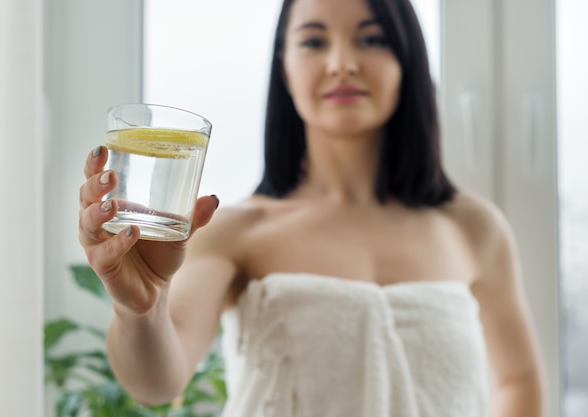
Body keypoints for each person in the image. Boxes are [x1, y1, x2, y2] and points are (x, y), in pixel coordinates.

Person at [78, 0, 545, 415]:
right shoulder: (237, 231)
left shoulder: (472, 227)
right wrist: (141, 309)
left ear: (406, 56)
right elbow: (158, 383)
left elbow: (517, 380)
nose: (342, 63)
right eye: (314, 41)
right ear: (285, 69)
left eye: (371, 38)